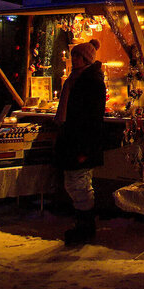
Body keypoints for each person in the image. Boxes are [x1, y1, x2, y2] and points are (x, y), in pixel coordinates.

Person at [54, 39, 106, 246]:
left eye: (77, 56)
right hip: (72, 137)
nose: (74, 59)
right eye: (73, 55)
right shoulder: (74, 79)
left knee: (80, 182)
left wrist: (86, 147)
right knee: (74, 182)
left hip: (81, 140)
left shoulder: (91, 80)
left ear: (86, 58)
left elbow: (93, 116)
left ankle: (85, 225)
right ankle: (83, 222)